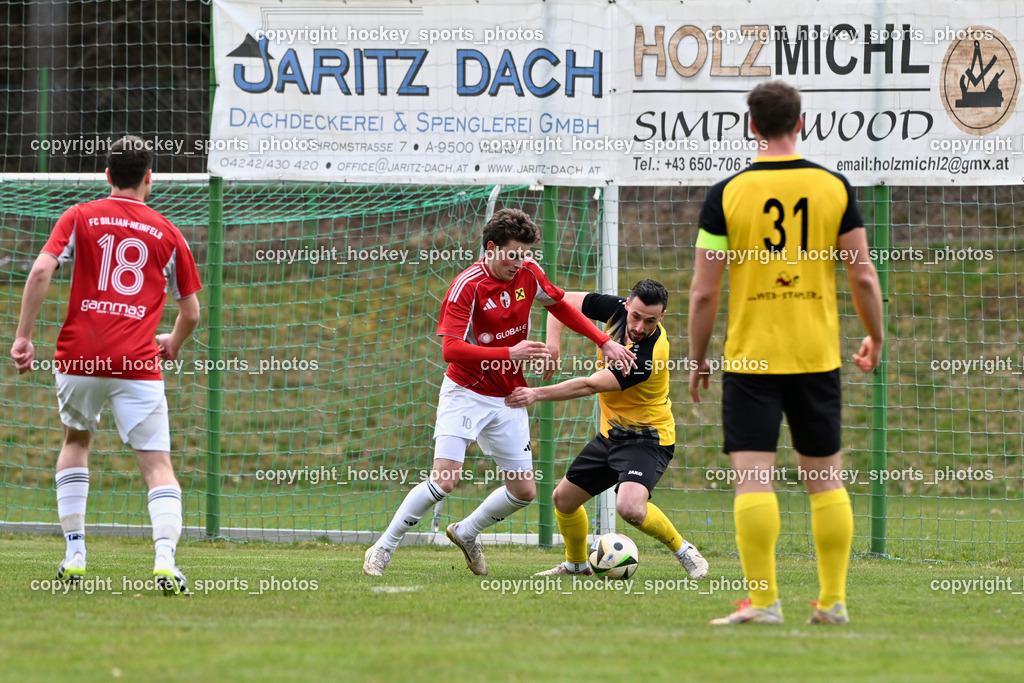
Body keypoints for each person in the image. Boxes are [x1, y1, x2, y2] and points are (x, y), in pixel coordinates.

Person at [688, 81, 883, 625]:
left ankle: (766, 600)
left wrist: (698, 355)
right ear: (803, 122)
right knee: (826, 480)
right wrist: (876, 335)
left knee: (754, 480)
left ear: (750, 125)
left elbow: (704, 291)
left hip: (750, 360)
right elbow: (862, 274)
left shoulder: (726, 193)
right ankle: (833, 601)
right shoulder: (833, 187)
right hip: (817, 355)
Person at [362, 208, 637, 576]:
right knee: (445, 478)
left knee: (524, 492)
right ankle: (383, 548)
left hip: (508, 395)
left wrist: (603, 341)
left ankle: (466, 532)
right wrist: (511, 352)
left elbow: (560, 306)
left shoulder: (528, 273)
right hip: (466, 392)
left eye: (525, 253)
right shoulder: (468, 286)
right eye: (512, 254)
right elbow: (450, 350)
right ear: (490, 248)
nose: (519, 262)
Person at [10, 135, 202, 596]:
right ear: (149, 178)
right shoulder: (170, 234)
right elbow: (192, 312)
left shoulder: (79, 215)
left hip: (79, 355)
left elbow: (40, 271)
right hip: (137, 362)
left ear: (107, 176)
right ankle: (164, 560)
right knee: (157, 464)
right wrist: (172, 344)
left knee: (76, 440)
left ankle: (75, 553)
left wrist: (23, 337)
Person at [506, 279, 709, 579]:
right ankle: (576, 566)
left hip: (647, 439)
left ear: (662, 317)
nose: (639, 326)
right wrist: (553, 345)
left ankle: (684, 550)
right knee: (564, 500)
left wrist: (537, 393)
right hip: (611, 435)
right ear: (627, 304)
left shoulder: (647, 356)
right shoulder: (615, 310)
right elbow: (555, 303)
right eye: (636, 316)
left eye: (650, 320)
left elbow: (589, 385)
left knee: (630, 509)